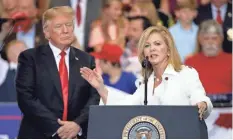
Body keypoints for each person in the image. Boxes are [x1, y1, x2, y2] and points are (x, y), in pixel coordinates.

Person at [80, 25, 213, 120]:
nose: (152, 49)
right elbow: (126, 105)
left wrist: (202, 104)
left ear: (168, 50)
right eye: (147, 45)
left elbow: (200, 97)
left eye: (157, 44)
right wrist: (101, 88)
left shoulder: (185, 74)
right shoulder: (146, 82)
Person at [16, 6, 100, 139]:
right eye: (59, 26)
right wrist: (59, 129)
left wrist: (77, 125)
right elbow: (26, 98)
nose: (65, 30)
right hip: (39, 134)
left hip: (76, 135)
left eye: (69, 25)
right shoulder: (30, 58)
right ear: (46, 32)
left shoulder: (86, 59)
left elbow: (94, 97)